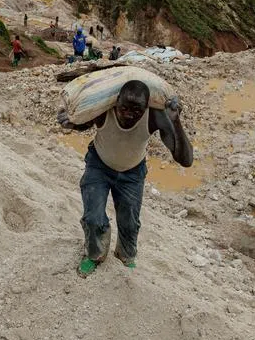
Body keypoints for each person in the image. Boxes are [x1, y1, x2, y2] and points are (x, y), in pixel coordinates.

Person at [57, 81, 192, 274]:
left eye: (136, 110)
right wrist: (70, 121)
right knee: (93, 217)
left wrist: (175, 121)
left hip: (132, 172)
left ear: (146, 107)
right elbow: (81, 123)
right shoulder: (104, 110)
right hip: (99, 165)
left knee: (129, 220)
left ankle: (125, 256)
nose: (129, 114)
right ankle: (94, 254)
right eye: (124, 108)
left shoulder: (154, 117)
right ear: (116, 101)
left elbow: (185, 160)